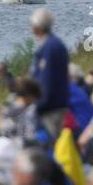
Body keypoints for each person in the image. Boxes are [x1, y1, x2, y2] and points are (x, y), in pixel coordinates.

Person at [30, 8, 70, 140]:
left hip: (51, 109)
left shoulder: (50, 48)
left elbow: (47, 80)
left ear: (36, 27)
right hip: (54, 105)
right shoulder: (54, 44)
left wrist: (37, 106)